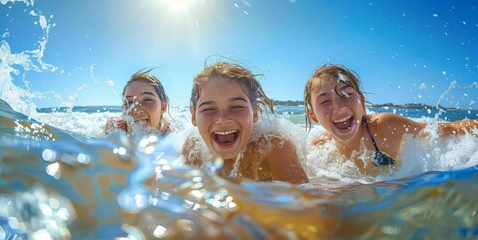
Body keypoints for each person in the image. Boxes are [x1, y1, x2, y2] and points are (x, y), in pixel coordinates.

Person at [303, 63, 478, 175]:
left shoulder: (386, 126)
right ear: (314, 116)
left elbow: (448, 130)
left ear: (362, 103)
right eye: (325, 101)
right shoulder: (318, 150)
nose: (339, 106)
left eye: (347, 94)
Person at [181, 61, 309, 184]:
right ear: (193, 116)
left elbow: (303, 202)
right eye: (209, 109)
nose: (223, 119)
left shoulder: (272, 146)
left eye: (236, 107)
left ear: (254, 113)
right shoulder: (193, 148)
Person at [104, 69, 172, 135]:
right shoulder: (115, 128)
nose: (137, 110)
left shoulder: (173, 136)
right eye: (129, 102)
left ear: (163, 107)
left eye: (147, 100)